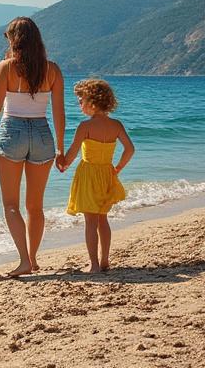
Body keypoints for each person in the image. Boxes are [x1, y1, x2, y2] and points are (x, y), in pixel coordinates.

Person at [0, 17, 65, 276]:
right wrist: (62, 149)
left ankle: (24, 261)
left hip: (13, 132)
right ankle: (32, 258)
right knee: (36, 206)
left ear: (14, 39)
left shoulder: (6, 67)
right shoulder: (52, 70)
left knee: (11, 204)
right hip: (42, 134)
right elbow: (59, 113)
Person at [57, 78, 134, 273]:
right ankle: (105, 260)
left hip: (89, 174)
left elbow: (73, 153)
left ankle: (94, 264)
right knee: (103, 219)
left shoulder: (85, 126)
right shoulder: (116, 125)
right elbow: (130, 149)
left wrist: (62, 161)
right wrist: (117, 169)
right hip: (107, 173)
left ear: (92, 102)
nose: (79, 105)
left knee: (90, 221)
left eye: (81, 101)